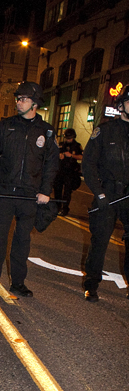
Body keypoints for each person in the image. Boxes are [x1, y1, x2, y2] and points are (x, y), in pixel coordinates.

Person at [0, 81, 59, 297]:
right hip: (4, 193)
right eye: (18, 98)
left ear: (34, 103)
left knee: (22, 241)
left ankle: (18, 283)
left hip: (29, 196)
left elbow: (51, 164)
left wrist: (45, 191)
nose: (18, 102)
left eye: (22, 99)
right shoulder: (5, 126)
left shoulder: (47, 131)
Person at [82, 86, 129, 302]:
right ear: (121, 106)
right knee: (100, 241)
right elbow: (88, 163)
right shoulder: (105, 131)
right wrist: (99, 193)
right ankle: (92, 283)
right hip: (108, 192)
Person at [54, 127, 83, 216]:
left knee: (67, 192)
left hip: (70, 171)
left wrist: (72, 156)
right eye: (67, 138)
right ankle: (57, 207)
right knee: (57, 189)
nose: (68, 140)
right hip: (60, 170)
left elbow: (82, 157)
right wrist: (59, 155)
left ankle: (65, 208)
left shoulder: (77, 146)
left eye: (70, 138)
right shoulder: (61, 145)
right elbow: (55, 153)